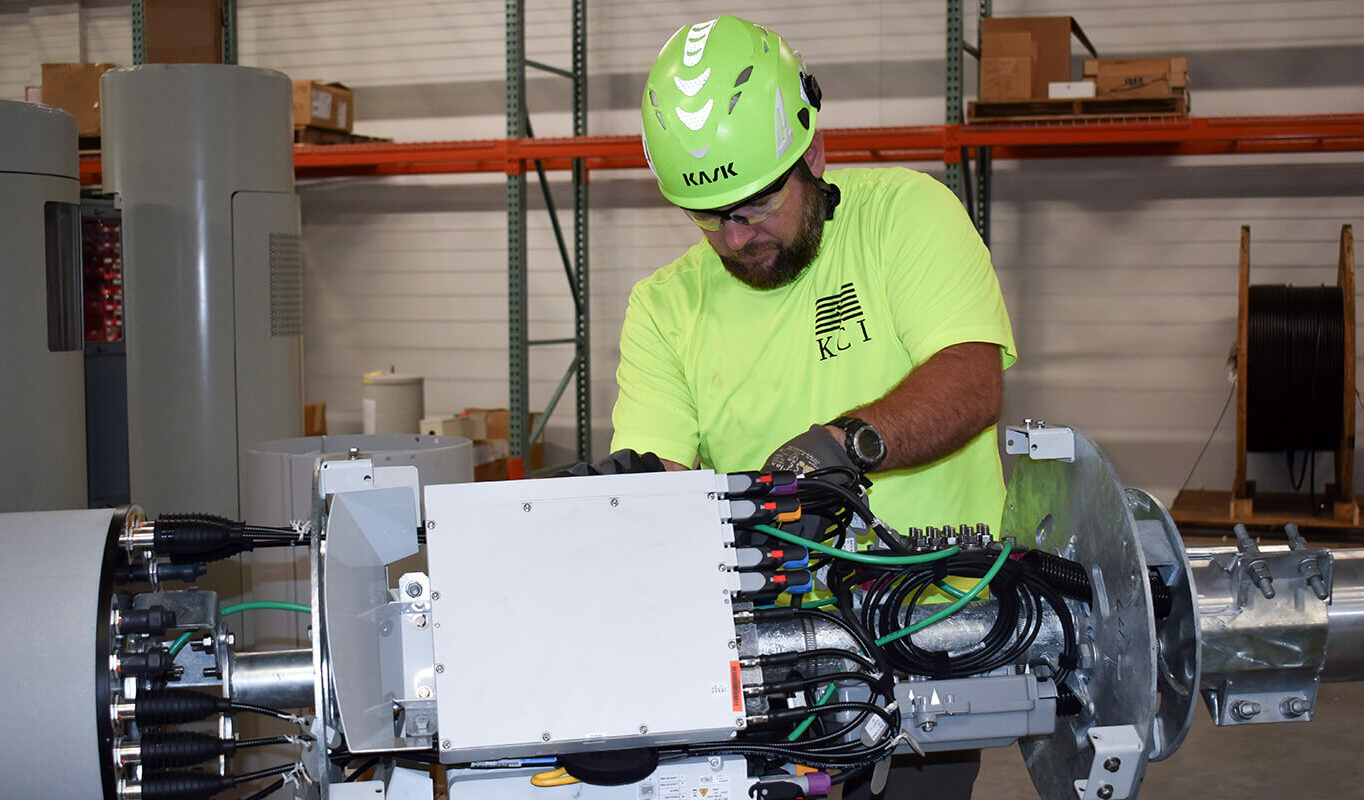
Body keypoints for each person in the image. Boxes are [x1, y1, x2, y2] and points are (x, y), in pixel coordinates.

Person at [609, 15, 1017, 799]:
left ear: (815, 154)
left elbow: (971, 379)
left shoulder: (907, 216)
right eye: (708, 216)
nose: (735, 237)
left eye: (756, 204)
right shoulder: (665, 306)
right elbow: (656, 478)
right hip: (770, 658)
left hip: (934, 632)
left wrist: (840, 447)